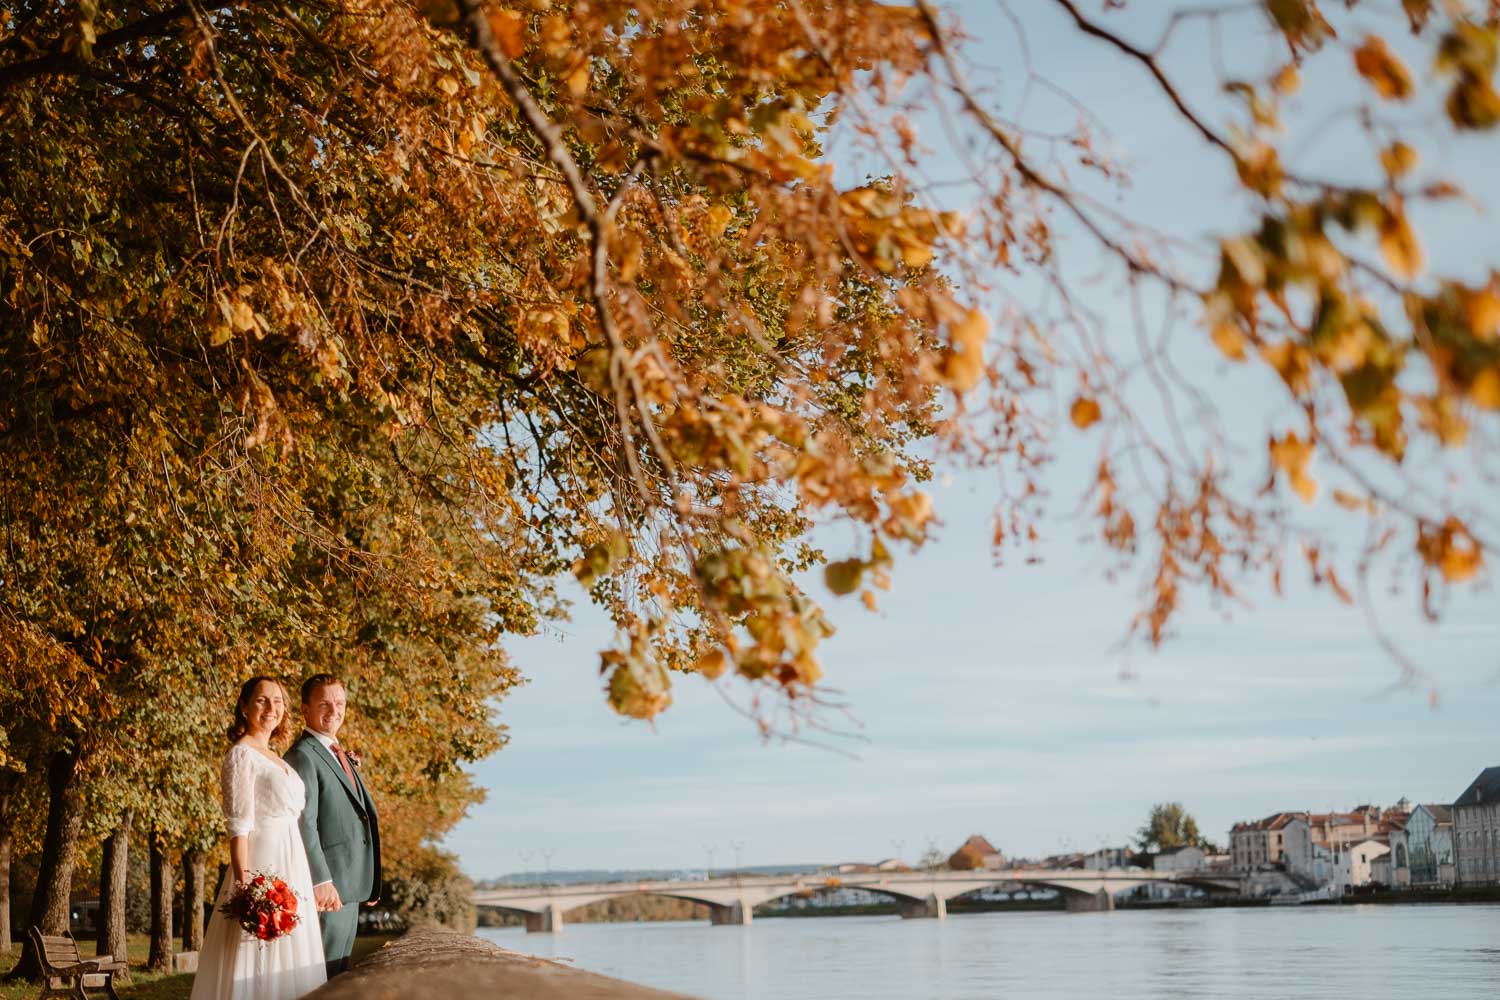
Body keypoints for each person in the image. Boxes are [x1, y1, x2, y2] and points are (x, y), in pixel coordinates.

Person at [191, 677, 328, 1000]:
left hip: (293, 863)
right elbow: (239, 826)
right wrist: (247, 885)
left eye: (278, 701)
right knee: (259, 959)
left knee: (293, 956)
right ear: (244, 707)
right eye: (262, 700)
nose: (272, 708)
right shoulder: (241, 755)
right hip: (263, 867)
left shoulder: (275, 757)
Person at [284, 673, 382, 979]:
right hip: (329, 888)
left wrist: (370, 875)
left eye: (339, 703)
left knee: (339, 974)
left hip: (349, 883)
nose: (334, 710)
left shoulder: (336, 753)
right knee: (322, 977)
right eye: (324, 703)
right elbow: (304, 822)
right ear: (305, 710)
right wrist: (321, 880)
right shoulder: (303, 756)